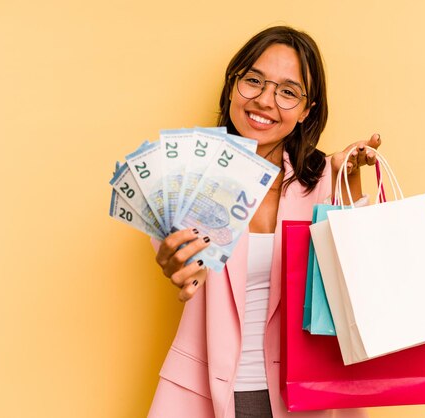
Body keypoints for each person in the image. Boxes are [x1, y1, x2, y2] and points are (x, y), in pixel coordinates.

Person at [148, 26, 381, 418]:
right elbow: (177, 258)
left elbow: (355, 285)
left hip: (303, 395)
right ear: (233, 85)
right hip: (201, 395)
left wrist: (347, 182)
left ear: (308, 110)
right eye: (254, 80)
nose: (265, 100)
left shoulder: (322, 178)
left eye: (288, 91)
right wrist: (174, 263)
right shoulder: (190, 176)